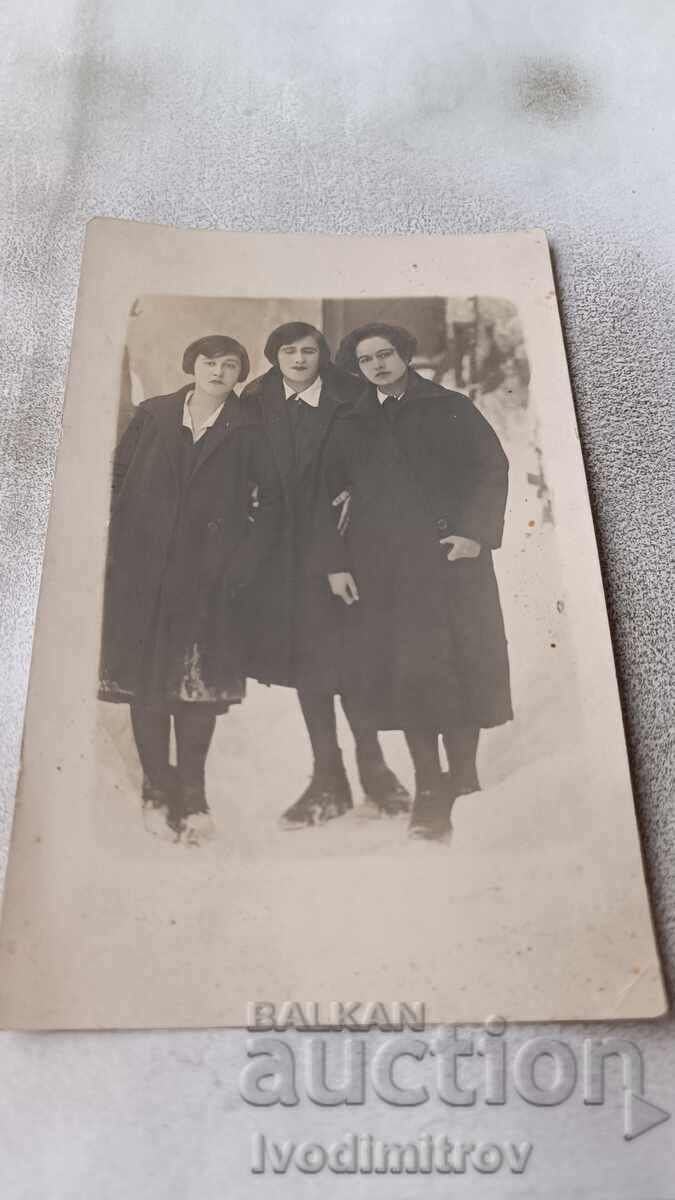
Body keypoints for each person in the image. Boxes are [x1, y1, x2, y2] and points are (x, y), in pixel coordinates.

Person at [312, 322, 512, 842]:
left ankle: (464, 779)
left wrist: (474, 534)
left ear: (404, 355)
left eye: (385, 354)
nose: (377, 365)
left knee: (460, 667)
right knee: (409, 676)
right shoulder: (351, 421)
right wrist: (336, 563)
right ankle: (428, 786)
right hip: (385, 571)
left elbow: (492, 469)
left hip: (451, 563)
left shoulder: (449, 406)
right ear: (357, 369)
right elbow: (324, 495)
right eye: (365, 360)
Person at [99, 335, 281, 845]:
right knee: (145, 680)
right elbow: (116, 476)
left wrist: (243, 560)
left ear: (240, 374)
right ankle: (157, 790)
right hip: (143, 571)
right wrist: (118, 540)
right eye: (209, 362)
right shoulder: (155, 415)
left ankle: (194, 795)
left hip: (210, 575)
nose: (218, 371)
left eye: (230, 365)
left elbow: (269, 499)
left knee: (200, 685)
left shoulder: (250, 427)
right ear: (191, 365)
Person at [241, 321, 410, 829]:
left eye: (308, 350)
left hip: (341, 548)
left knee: (350, 659)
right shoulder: (256, 400)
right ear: (274, 356)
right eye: (287, 351)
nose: (298, 359)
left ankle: (375, 771)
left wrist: (361, 492)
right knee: (306, 665)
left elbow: (388, 456)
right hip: (281, 556)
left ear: (322, 356)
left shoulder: (353, 394)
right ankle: (328, 780)